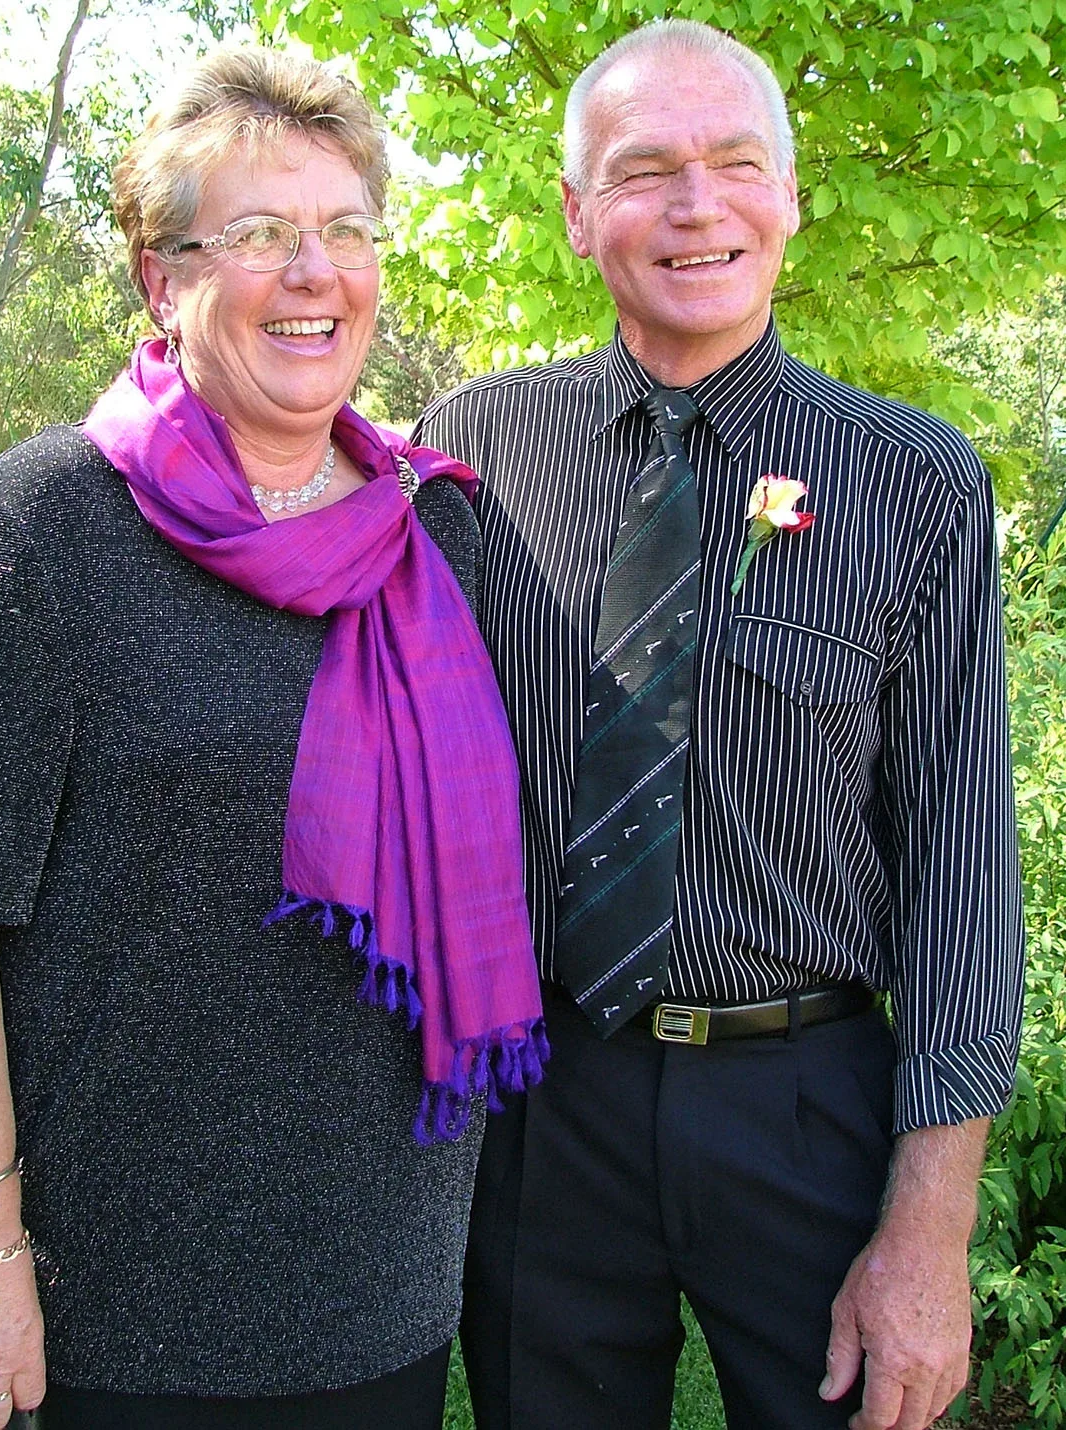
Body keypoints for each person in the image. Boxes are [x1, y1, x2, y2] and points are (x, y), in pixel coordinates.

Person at [0, 46, 545, 1430]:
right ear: (159, 277)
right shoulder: (44, 527)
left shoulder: (445, 533)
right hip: (117, 1305)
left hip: (383, 1288)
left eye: (344, 228)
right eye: (255, 234)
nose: (314, 271)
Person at [416, 18, 1023, 1430]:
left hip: (808, 1108)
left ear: (792, 195)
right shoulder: (472, 453)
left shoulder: (915, 482)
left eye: (736, 162)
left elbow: (962, 880)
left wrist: (928, 1234)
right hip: (543, 1098)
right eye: (645, 171)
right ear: (577, 214)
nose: (697, 206)